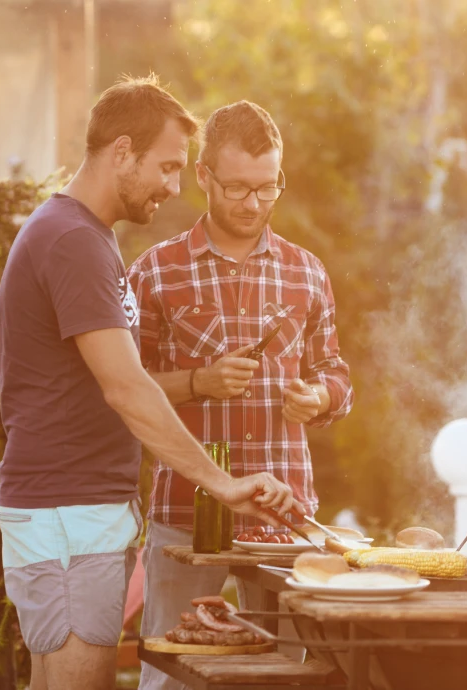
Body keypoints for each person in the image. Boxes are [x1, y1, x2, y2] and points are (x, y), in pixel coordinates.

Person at [0, 78, 305, 690]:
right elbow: (126, 387)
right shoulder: (74, 240)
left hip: (73, 510)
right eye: (165, 167)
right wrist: (221, 482)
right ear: (122, 151)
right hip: (68, 513)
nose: (171, 185)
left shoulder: (86, 236)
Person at [128, 100, 354, 690]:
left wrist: (321, 398)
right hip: (185, 511)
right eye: (237, 189)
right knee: (172, 674)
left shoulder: (307, 272)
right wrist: (198, 382)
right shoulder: (155, 271)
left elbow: (337, 372)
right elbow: (124, 388)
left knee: (283, 676)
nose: (253, 204)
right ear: (203, 177)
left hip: (283, 519)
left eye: (267, 188)